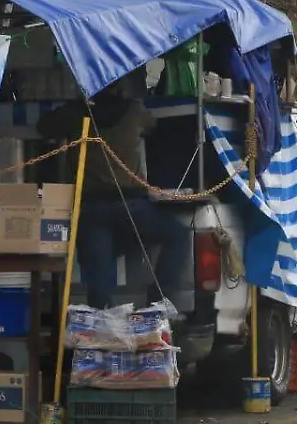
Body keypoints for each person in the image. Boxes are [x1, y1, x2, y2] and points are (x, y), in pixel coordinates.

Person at [36, 71, 185, 310]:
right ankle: (158, 301)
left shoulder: (75, 114)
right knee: (178, 235)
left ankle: (103, 324)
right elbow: (155, 127)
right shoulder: (134, 111)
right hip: (132, 207)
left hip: (92, 208)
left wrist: (75, 107)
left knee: (99, 282)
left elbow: (43, 127)